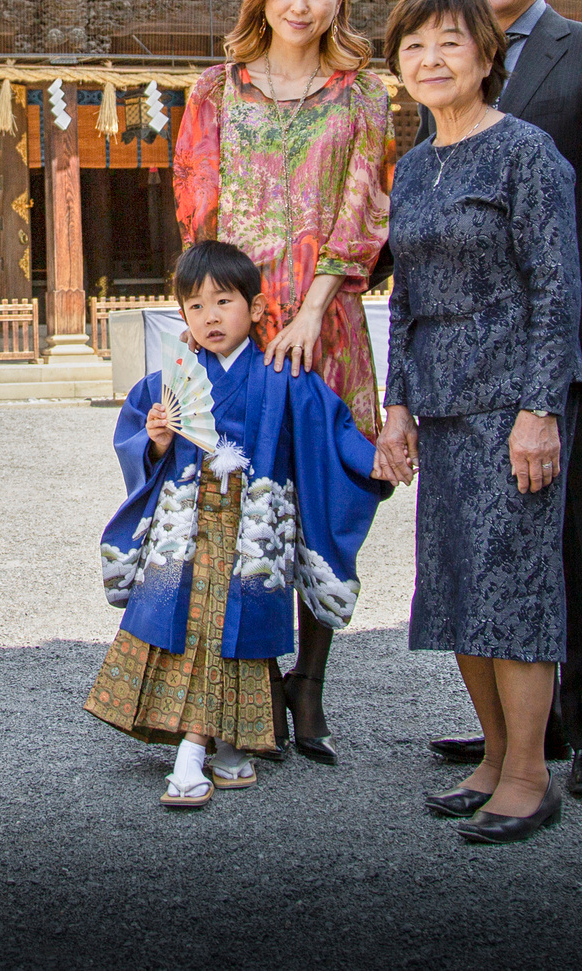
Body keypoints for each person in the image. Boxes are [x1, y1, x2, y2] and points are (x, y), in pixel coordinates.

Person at [418, 0, 582, 805]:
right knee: (498, 538)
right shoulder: (450, 65)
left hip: (573, 340)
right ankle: (525, 726)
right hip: (476, 357)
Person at [171, 0, 392, 763]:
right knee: (241, 499)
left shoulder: (363, 96)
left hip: (325, 323)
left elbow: (366, 205)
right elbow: (198, 206)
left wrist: (314, 306)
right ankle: (254, 680)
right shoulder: (214, 90)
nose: (303, 5)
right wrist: (230, 315)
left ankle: (314, 683)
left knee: (325, 503)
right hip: (242, 331)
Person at [371, 0, 582, 845]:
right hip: (442, 404)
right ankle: (494, 755)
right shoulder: (414, 164)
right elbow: (408, 295)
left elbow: (556, 286)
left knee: (515, 587)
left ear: (488, 55)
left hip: (509, 400)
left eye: (450, 42)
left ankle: (531, 774)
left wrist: (541, 408)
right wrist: (396, 402)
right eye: (414, 46)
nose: (431, 59)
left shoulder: (527, 153)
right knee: (456, 584)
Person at [87, 240, 385, 809]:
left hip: (253, 534)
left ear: (255, 306)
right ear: (182, 317)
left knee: (239, 633)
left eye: (223, 302)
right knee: (195, 629)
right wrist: (155, 445)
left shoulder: (282, 376)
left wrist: (373, 461)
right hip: (188, 531)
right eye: (195, 307)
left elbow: (332, 431)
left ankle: (225, 743)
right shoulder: (168, 383)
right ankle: (199, 749)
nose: (211, 317)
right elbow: (137, 451)